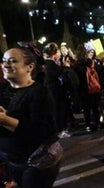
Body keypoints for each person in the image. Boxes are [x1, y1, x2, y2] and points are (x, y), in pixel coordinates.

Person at [0, 45, 61, 188]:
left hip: (37, 163)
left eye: (13, 61)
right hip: (10, 162)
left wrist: (5, 120)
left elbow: (43, 132)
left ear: (30, 67)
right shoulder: (2, 90)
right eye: (4, 60)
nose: (6, 65)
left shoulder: (39, 92)